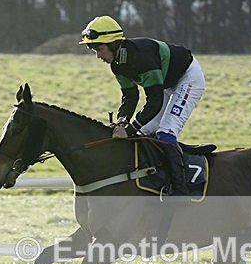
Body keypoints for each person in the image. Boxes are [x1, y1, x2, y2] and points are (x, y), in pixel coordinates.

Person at [80, 15, 205, 198]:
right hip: (165, 84)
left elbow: (154, 102)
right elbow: (130, 96)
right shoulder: (117, 65)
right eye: (94, 51)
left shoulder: (141, 58)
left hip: (187, 79)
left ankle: (181, 190)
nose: (98, 56)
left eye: (100, 49)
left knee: (165, 133)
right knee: (143, 134)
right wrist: (122, 121)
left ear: (114, 44)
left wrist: (129, 130)